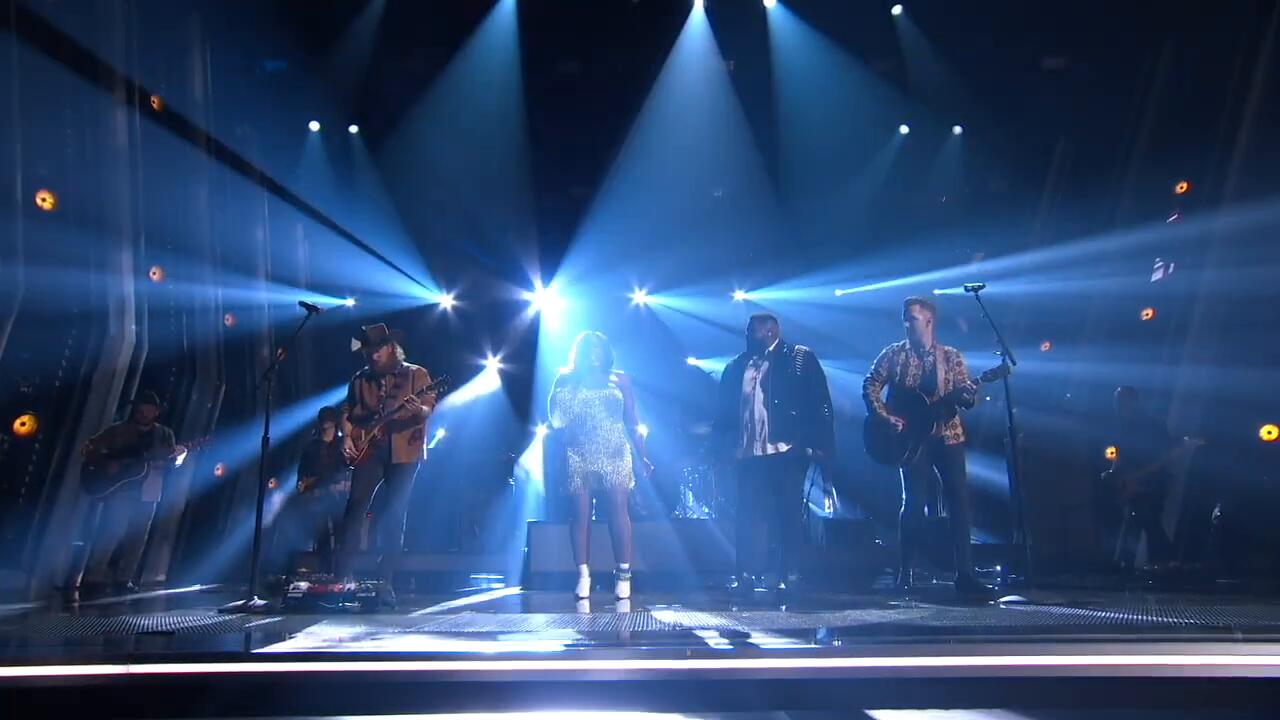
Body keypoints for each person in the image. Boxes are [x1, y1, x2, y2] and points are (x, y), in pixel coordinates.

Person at [862, 297, 990, 596]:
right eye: (905, 319)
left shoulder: (951, 357)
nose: (907, 324)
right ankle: (906, 573)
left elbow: (965, 400)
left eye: (912, 319)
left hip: (948, 437)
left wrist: (968, 394)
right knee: (913, 503)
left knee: (959, 501)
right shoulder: (893, 354)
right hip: (910, 440)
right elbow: (870, 384)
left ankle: (965, 574)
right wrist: (884, 416)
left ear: (929, 321)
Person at [716, 313, 834, 596]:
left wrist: (819, 443)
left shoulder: (798, 359)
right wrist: (722, 447)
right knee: (746, 513)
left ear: (771, 332)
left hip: (786, 450)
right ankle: (744, 574)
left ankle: (788, 573)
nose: (748, 336)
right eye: (747, 332)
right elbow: (724, 410)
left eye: (753, 332)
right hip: (748, 452)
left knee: (788, 513)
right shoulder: (737, 365)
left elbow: (820, 402)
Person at [335, 323, 438, 603]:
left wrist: (419, 409)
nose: (373, 355)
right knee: (355, 507)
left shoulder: (416, 374)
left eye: (378, 349)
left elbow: (428, 407)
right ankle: (343, 577)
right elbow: (346, 413)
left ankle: (385, 582)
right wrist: (346, 438)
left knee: (394, 514)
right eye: (369, 351)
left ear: (391, 348)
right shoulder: (360, 380)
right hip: (370, 451)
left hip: (404, 452)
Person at [549, 331, 652, 600]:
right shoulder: (566, 379)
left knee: (619, 509)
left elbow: (632, 420)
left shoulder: (621, 380)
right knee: (580, 512)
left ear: (606, 352)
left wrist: (642, 456)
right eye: (588, 349)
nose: (593, 354)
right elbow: (556, 419)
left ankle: (623, 574)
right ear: (580, 353)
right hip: (579, 451)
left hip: (615, 450)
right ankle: (583, 575)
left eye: (597, 348)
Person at [78, 390, 177, 594]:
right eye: (141, 408)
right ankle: (94, 577)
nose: (144, 413)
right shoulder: (118, 430)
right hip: (121, 490)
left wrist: (169, 463)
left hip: (149, 490)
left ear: (156, 412)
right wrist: (107, 463)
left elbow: (172, 463)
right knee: (111, 532)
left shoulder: (165, 435)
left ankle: (124, 579)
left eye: (149, 409)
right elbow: (89, 448)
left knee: (138, 537)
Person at [1105, 385, 1179, 570]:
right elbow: (1117, 455)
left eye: (1122, 400)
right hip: (1134, 482)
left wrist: (1138, 477)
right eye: (1117, 401)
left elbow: (1164, 457)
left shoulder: (1151, 426)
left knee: (1146, 518)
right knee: (1139, 521)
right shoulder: (1121, 427)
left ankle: (1161, 561)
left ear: (1134, 402)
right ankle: (1140, 563)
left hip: (1152, 482)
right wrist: (1114, 472)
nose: (1119, 405)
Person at [277, 406, 349, 575]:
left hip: (338, 497)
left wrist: (341, 484)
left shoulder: (341, 446)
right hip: (318, 498)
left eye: (328, 421)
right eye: (323, 420)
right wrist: (309, 486)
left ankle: (340, 572)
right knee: (321, 537)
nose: (325, 425)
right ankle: (322, 571)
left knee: (342, 534)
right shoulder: (311, 447)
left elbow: (347, 470)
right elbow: (302, 476)